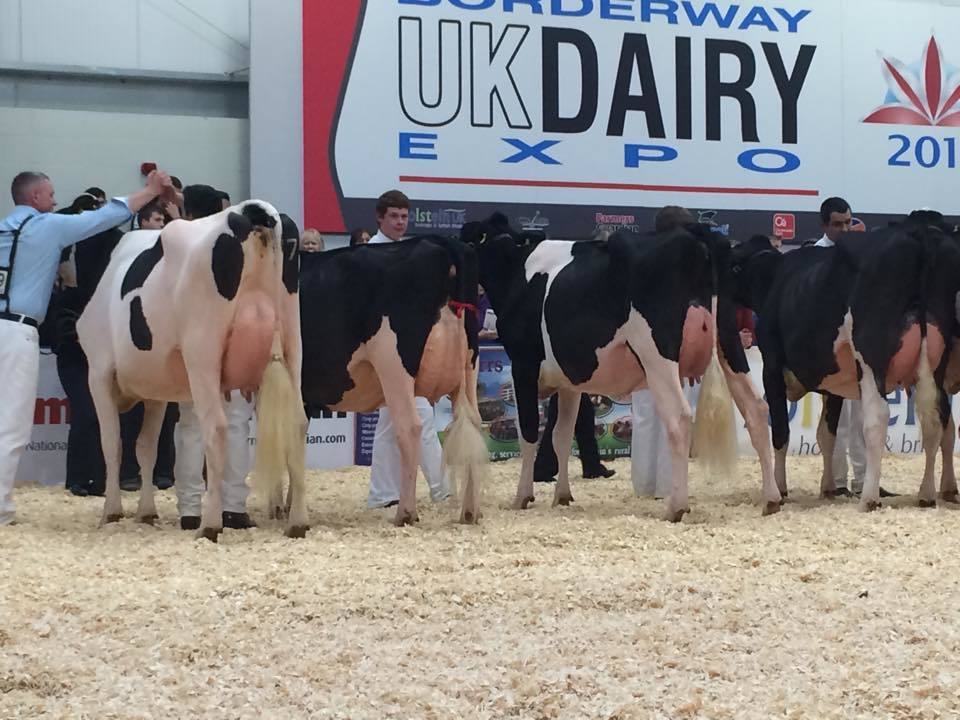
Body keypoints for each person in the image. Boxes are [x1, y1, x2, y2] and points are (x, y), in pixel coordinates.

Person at [0, 169, 173, 525]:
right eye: (50, 195)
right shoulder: (46, 227)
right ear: (35, 198)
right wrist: (149, 191)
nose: (55, 202)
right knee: (11, 425)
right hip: (16, 332)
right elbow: (103, 217)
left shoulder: (3, 230)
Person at [173, 182, 256, 530]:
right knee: (235, 424)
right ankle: (233, 506)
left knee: (193, 425)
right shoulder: (241, 246)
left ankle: (190, 509)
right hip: (235, 343)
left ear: (188, 213)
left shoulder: (179, 245)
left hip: (194, 346)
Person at [367, 190, 450, 508]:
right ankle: (437, 488)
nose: (400, 222)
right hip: (380, 347)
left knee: (398, 419)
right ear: (380, 217)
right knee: (413, 415)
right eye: (394, 216)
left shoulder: (410, 252)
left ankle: (385, 493)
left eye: (404, 216)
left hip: (407, 346)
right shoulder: (370, 253)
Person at [812, 196, 893, 498]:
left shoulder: (862, 256)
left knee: (864, 416)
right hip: (830, 350)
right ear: (824, 225)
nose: (844, 229)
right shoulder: (816, 255)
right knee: (836, 418)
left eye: (848, 222)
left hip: (860, 347)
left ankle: (864, 481)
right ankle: (835, 482)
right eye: (837, 224)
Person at [534, 394, 616, 483]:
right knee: (559, 423)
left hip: (574, 388)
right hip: (566, 387)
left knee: (583, 416)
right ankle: (542, 469)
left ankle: (592, 467)